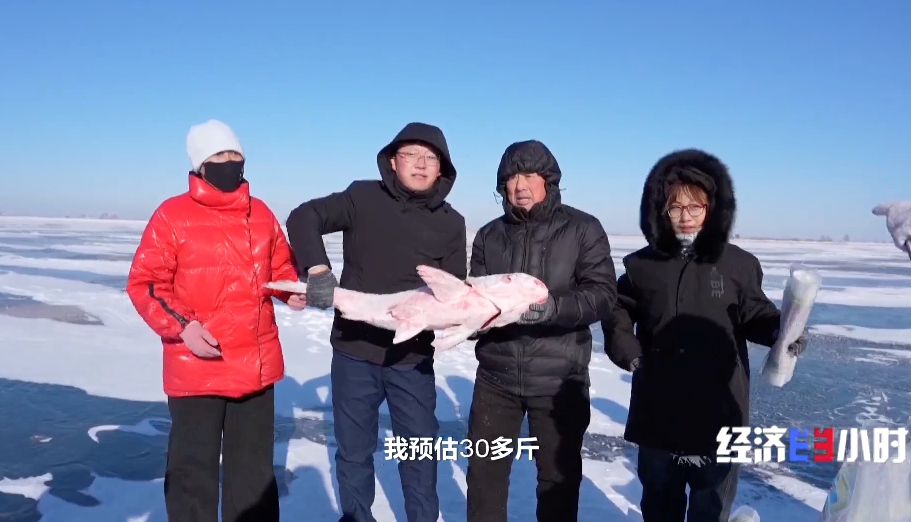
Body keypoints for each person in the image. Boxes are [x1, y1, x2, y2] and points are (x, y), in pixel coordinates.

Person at [600, 148, 808, 522]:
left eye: (694, 207)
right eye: (675, 208)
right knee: (659, 504)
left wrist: (782, 331)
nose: (685, 217)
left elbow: (755, 312)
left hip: (719, 407)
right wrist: (629, 351)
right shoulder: (642, 265)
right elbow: (617, 310)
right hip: (658, 406)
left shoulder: (738, 264)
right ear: (661, 210)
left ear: (711, 209)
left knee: (710, 507)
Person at [284, 122, 466, 522]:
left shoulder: (451, 222)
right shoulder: (363, 197)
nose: (420, 163)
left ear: (442, 168)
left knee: (419, 452)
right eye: (411, 154)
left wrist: (470, 319)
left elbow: (453, 291)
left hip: (412, 357)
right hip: (354, 350)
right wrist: (317, 268)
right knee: (354, 450)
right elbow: (304, 216)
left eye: (430, 157)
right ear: (392, 161)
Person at [126, 119, 305, 522]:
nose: (230, 162)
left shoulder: (261, 214)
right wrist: (183, 326)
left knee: (253, 474)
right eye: (220, 155)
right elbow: (146, 284)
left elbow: (280, 269)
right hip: (197, 366)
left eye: (235, 154)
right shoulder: (172, 215)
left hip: (255, 366)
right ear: (200, 164)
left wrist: (291, 291)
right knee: (192, 473)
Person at [464, 140, 617, 522]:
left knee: (557, 480)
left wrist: (553, 308)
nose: (520, 185)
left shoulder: (583, 228)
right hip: (496, 378)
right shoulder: (489, 235)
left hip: (559, 379)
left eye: (529, 175)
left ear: (548, 180)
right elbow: (477, 295)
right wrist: (467, 322)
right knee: (484, 477)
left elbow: (603, 295)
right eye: (511, 177)